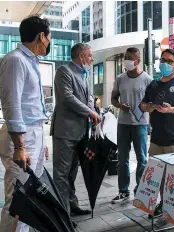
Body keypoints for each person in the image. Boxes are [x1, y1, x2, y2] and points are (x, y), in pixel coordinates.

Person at [0, 16, 50, 232]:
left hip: (33, 134)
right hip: (22, 138)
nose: (49, 42)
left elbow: (31, 105)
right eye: (49, 37)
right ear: (41, 36)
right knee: (18, 200)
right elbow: (11, 104)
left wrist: (41, 141)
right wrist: (20, 147)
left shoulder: (30, 61)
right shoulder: (15, 60)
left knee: (30, 197)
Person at [140, 48, 174, 219]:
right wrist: (149, 107)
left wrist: (171, 110)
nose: (165, 63)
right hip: (157, 140)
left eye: (169, 61)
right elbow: (143, 105)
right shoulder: (153, 84)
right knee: (160, 176)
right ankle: (164, 203)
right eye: (163, 60)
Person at [50, 43, 101, 217]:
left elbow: (88, 100)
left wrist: (94, 114)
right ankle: (62, 215)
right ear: (81, 57)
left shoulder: (84, 75)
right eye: (89, 55)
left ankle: (72, 205)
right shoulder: (64, 71)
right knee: (61, 175)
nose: (91, 59)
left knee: (71, 174)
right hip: (65, 132)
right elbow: (67, 98)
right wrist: (90, 112)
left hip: (80, 133)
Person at [111, 47, 152, 203]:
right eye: (126, 57)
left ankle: (140, 190)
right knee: (122, 159)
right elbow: (113, 99)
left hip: (141, 124)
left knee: (142, 158)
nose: (127, 60)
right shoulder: (120, 78)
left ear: (138, 60)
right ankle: (123, 191)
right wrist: (120, 105)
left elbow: (152, 103)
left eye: (130, 57)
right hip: (123, 123)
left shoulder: (147, 79)